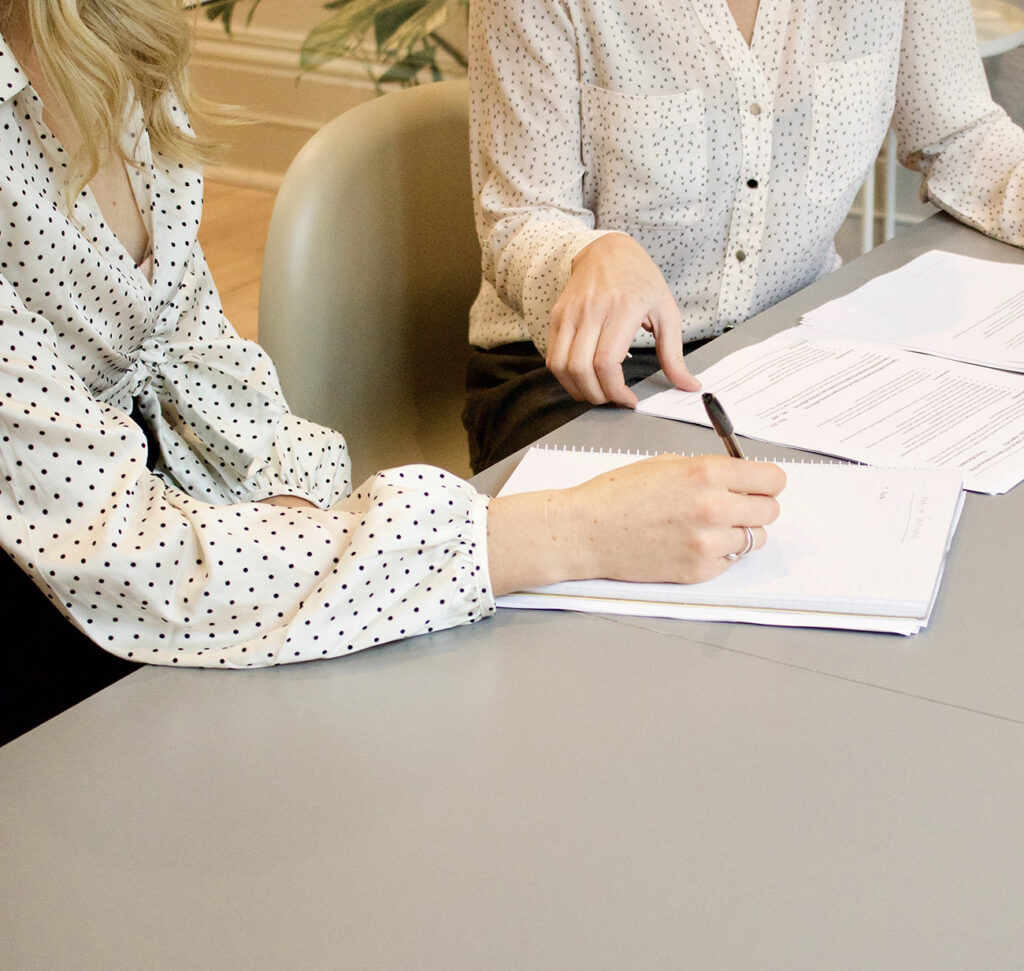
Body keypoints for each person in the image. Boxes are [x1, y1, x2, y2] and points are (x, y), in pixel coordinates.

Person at [0, 0, 785, 743]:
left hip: (171, 563)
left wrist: (308, 528)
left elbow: (207, 379)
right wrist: (572, 532)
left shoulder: (113, 44)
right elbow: (130, 555)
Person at [464, 0, 1024, 471]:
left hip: (795, 346)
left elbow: (962, 135)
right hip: (584, 372)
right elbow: (520, 215)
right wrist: (590, 254)